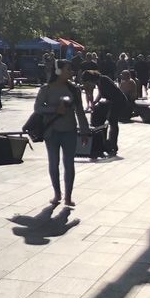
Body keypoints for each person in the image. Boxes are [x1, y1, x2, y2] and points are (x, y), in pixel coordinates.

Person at [35, 60, 90, 206]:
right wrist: (54, 110)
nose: (71, 72)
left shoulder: (74, 90)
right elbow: (38, 108)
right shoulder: (46, 89)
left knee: (69, 164)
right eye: (68, 69)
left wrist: (85, 132)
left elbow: (80, 112)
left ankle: (68, 196)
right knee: (54, 163)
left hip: (69, 131)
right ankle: (57, 194)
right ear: (58, 71)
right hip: (51, 132)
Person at [83, 70, 129, 155]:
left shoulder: (104, 80)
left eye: (88, 82)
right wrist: (95, 102)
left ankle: (113, 145)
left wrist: (107, 111)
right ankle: (107, 143)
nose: (89, 84)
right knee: (109, 121)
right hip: (112, 102)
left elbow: (112, 96)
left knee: (112, 121)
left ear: (91, 79)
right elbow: (101, 93)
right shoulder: (99, 81)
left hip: (118, 101)